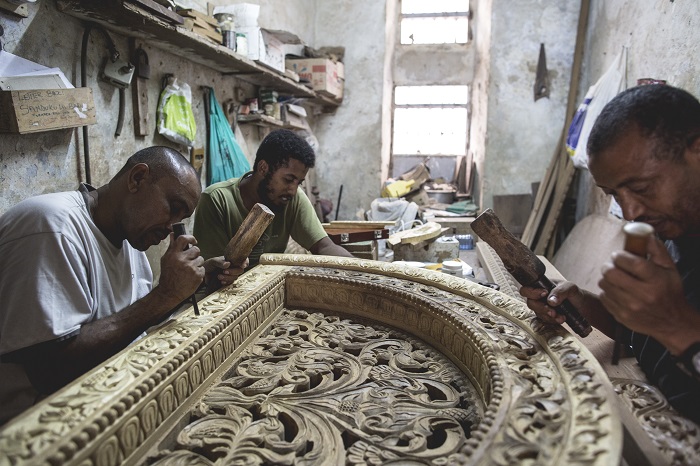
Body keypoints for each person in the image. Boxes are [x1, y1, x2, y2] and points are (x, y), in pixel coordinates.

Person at [0, 146, 243, 425]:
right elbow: (51, 369)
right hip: (42, 430)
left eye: (181, 218)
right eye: (173, 209)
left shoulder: (130, 242)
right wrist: (163, 295)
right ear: (137, 178)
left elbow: (132, 323)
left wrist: (196, 283)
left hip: (110, 406)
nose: (171, 228)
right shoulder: (50, 226)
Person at [521, 84, 700, 423]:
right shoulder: (675, 231)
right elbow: (644, 332)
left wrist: (678, 326)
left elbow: (674, 326)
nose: (630, 212)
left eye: (642, 188)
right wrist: (586, 305)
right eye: (614, 194)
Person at [193, 129, 352, 274]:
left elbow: (324, 247)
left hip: (270, 288)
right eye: (288, 179)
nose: (293, 190)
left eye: (299, 182)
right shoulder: (217, 200)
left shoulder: (291, 198)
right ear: (263, 168)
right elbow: (210, 272)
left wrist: (368, 270)